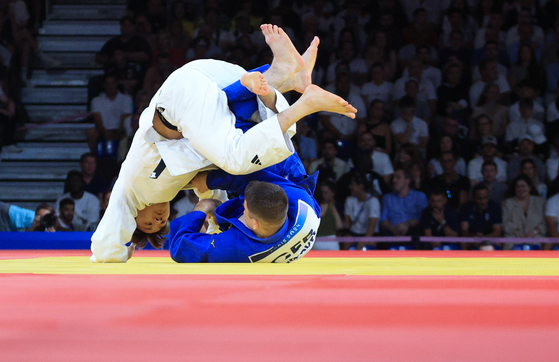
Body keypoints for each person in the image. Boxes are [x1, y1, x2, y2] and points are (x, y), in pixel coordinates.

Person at [91, 25, 357, 262]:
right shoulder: (177, 181)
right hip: (216, 83)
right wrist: (210, 207)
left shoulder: (128, 193)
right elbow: (215, 199)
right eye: (159, 225)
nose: (158, 221)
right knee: (263, 132)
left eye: (148, 223)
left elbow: (105, 246)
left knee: (237, 159)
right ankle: (285, 76)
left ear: (132, 218)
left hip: (181, 97)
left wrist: (122, 250)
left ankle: (301, 100)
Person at [168, 155, 320, 263]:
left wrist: (203, 207)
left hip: (255, 238)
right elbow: (255, 179)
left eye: (245, 208)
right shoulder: (297, 198)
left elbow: (180, 247)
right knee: (275, 152)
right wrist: (210, 180)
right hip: (296, 185)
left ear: (254, 224)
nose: (243, 205)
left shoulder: (237, 246)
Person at [86, 73, 133, 157]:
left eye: (113, 83)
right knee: (90, 133)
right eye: (108, 83)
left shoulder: (126, 99)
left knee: (130, 135)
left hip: (121, 131)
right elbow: (97, 120)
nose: (111, 86)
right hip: (103, 131)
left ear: (117, 84)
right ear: (104, 85)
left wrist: (118, 133)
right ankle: (94, 159)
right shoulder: (96, 100)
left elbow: (125, 119)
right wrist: (105, 133)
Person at [380, 168, 428, 238]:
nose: (394, 180)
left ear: (407, 180)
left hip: (414, 233)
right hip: (392, 233)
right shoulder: (387, 198)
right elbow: (383, 220)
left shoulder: (419, 196)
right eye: (393, 177)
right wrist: (394, 229)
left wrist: (407, 224)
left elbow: (422, 216)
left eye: (398, 177)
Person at [502, 174, 546, 250]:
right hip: (514, 236)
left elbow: (545, 222)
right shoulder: (507, 203)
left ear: (529, 187)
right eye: (518, 186)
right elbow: (504, 222)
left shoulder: (540, 202)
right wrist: (518, 233)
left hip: (535, 235)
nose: (521, 189)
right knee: (508, 244)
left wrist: (534, 232)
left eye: (523, 186)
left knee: (542, 244)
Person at [343, 172, 381, 251]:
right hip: (354, 234)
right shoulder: (349, 200)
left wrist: (364, 240)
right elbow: (347, 223)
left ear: (361, 186)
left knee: (368, 244)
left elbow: (372, 226)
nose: (349, 187)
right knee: (345, 240)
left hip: (369, 234)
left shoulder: (373, 201)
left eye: (352, 184)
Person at [459, 184, 503, 248]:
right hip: (472, 238)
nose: (483, 202)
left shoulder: (495, 207)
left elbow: (497, 231)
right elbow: (464, 230)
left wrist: (483, 238)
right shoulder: (466, 207)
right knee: (463, 242)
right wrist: (474, 236)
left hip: (489, 238)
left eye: (485, 198)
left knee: (498, 242)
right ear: (473, 198)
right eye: (480, 199)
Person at [315, 180, 343, 251]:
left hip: (316, 243)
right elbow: (339, 226)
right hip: (331, 243)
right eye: (322, 193)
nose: (323, 195)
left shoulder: (313, 207)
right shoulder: (332, 207)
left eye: (325, 193)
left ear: (332, 193)